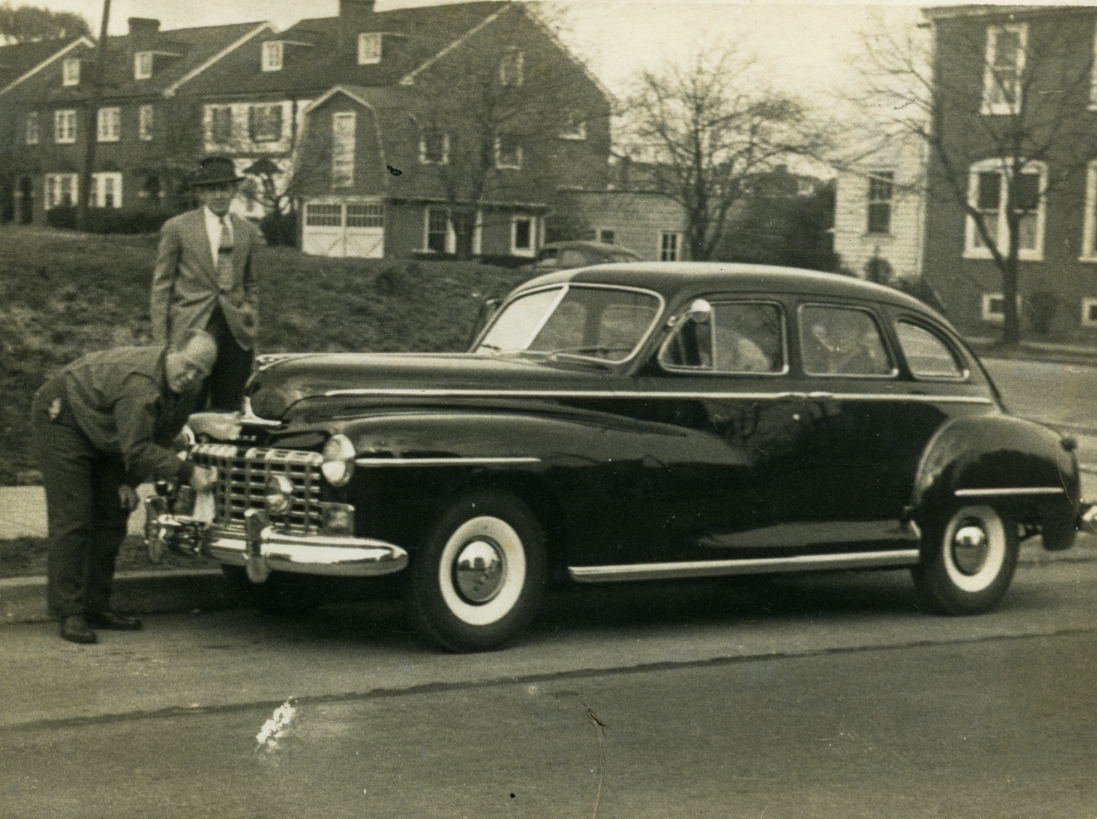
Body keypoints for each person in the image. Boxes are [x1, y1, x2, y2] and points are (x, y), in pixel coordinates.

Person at [31, 331, 220, 644]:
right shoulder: (140, 383)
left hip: (109, 429)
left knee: (113, 512)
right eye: (186, 366)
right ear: (171, 351)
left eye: (200, 372)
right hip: (65, 417)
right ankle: (69, 611)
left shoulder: (191, 388)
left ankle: (96, 606)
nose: (190, 377)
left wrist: (129, 482)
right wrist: (188, 472)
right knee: (74, 517)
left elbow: (160, 437)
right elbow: (137, 448)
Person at [150, 155, 262, 411]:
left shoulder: (247, 232)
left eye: (224, 188)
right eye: (212, 189)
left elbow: (251, 284)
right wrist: (161, 342)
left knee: (230, 407)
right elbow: (161, 287)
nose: (219, 195)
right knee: (187, 405)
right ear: (201, 193)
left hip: (235, 333)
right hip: (191, 329)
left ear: (234, 190)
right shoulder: (177, 228)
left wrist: (251, 321)